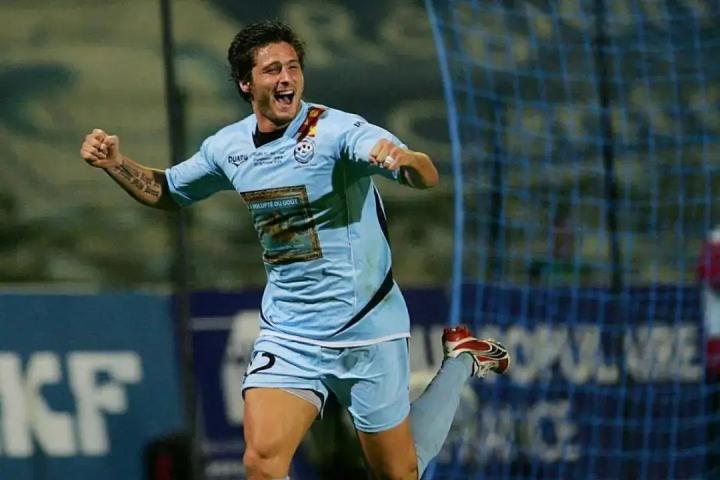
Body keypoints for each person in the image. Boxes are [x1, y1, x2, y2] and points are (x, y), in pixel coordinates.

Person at [79, 20, 510, 480]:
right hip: (291, 333)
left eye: (293, 67)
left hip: (367, 326)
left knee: (399, 473)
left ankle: (461, 360)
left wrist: (404, 162)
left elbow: (424, 174)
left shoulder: (338, 131)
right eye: (272, 70)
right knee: (261, 461)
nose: (286, 78)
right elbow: (168, 191)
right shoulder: (228, 147)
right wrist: (116, 164)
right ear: (245, 83)